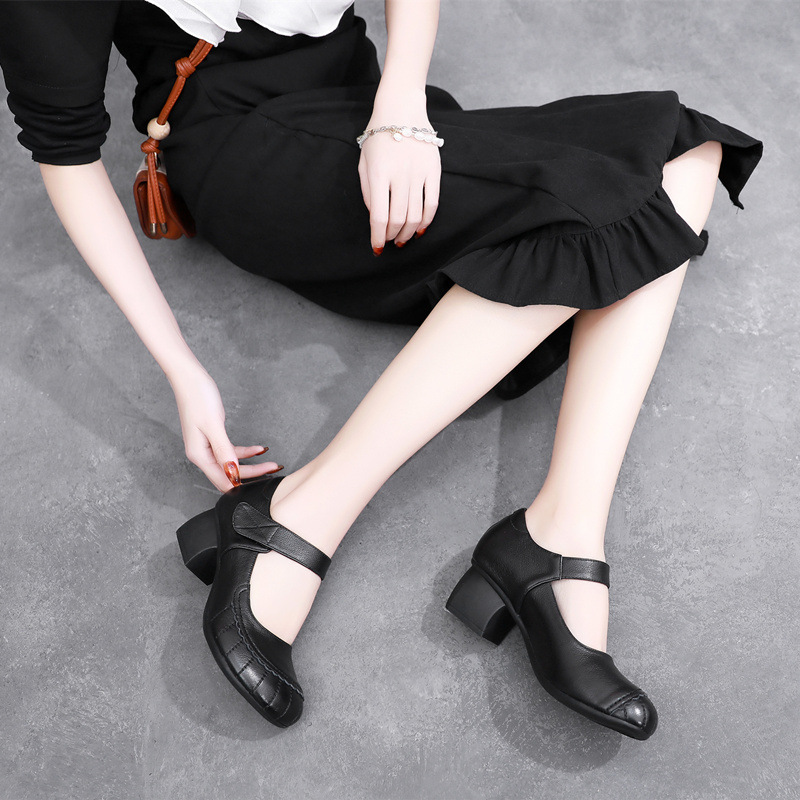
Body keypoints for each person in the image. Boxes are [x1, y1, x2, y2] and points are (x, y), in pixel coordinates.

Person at [0, 0, 762, 738]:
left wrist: (399, 109)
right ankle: (303, 512)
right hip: (241, 141)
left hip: (371, 108)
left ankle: (563, 528)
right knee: (614, 194)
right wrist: (181, 368)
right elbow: (65, 152)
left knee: (685, 154)